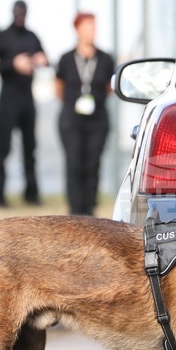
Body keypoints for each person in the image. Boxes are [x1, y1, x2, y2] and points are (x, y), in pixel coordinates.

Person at [0, 0, 48, 206]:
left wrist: (40, 60)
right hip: (8, 97)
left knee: (30, 149)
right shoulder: (3, 37)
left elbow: (45, 59)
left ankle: (31, 194)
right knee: (3, 148)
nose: (20, 16)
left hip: (27, 98)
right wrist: (12, 64)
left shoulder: (32, 36)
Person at [55, 13, 115, 216]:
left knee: (92, 163)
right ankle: (75, 210)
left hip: (97, 119)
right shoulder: (66, 59)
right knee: (74, 163)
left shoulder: (105, 59)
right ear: (77, 29)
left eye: (94, 26)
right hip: (71, 120)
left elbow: (109, 87)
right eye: (88, 26)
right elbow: (59, 87)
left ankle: (89, 210)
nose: (92, 30)